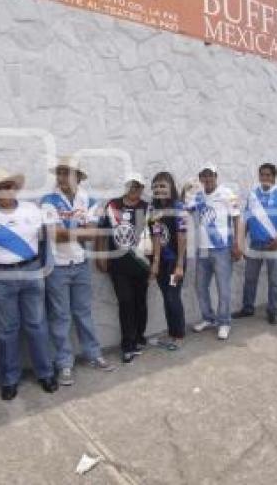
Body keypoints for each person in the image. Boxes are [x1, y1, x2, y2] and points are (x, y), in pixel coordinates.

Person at [0, 169, 56, 401]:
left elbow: (46, 240)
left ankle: (45, 373)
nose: (4, 190)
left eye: (8, 185)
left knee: (37, 325)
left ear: (15, 187)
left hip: (31, 272)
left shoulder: (32, 210)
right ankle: (9, 380)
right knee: (5, 332)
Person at [40, 157, 114, 386]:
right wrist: (79, 230)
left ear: (78, 177)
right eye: (60, 173)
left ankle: (93, 354)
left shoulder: (89, 200)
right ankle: (64, 364)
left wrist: (72, 231)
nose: (62, 177)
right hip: (57, 267)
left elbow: (92, 234)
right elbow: (55, 235)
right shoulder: (48, 200)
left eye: (67, 173)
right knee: (60, 317)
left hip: (80, 264)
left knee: (83, 313)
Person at [96, 173, 151, 363]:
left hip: (142, 264)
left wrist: (156, 261)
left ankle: (139, 337)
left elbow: (156, 235)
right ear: (126, 186)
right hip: (118, 265)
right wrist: (101, 256)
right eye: (132, 185)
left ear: (143, 189)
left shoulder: (147, 207)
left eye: (139, 186)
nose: (135, 189)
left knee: (140, 302)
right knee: (126, 302)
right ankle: (127, 345)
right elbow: (101, 232)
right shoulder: (112, 205)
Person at [186, 164, 242, 341]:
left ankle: (224, 322)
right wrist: (187, 189)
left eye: (210, 175)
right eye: (204, 176)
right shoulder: (198, 195)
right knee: (200, 286)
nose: (207, 178)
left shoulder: (227, 193)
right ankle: (208, 318)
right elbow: (186, 208)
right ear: (201, 178)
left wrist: (237, 244)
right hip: (203, 249)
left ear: (216, 176)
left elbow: (237, 218)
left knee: (223, 287)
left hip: (222, 249)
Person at [234, 163, 277, 324]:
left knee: (274, 280)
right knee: (250, 277)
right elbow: (246, 219)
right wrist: (241, 242)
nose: (264, 178)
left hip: (274, 243)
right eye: (262, 175)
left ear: (274, 177)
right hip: (255, 243)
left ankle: (273, 310)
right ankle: (248, 308)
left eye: (268, 175)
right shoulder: (253, 195)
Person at [148, 171, 188, 349]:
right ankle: (172, 332)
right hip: (162, 262)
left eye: (162, 185)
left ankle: (178, 336)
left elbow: (182, 236)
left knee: (173, 297)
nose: (159, 189)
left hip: (175, 263)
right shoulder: (154, 209)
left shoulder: (178, 207)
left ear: (171, 187)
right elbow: (156, 236)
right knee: (167, 297)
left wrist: (179, 265)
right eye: (155, 186)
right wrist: (155, 262)